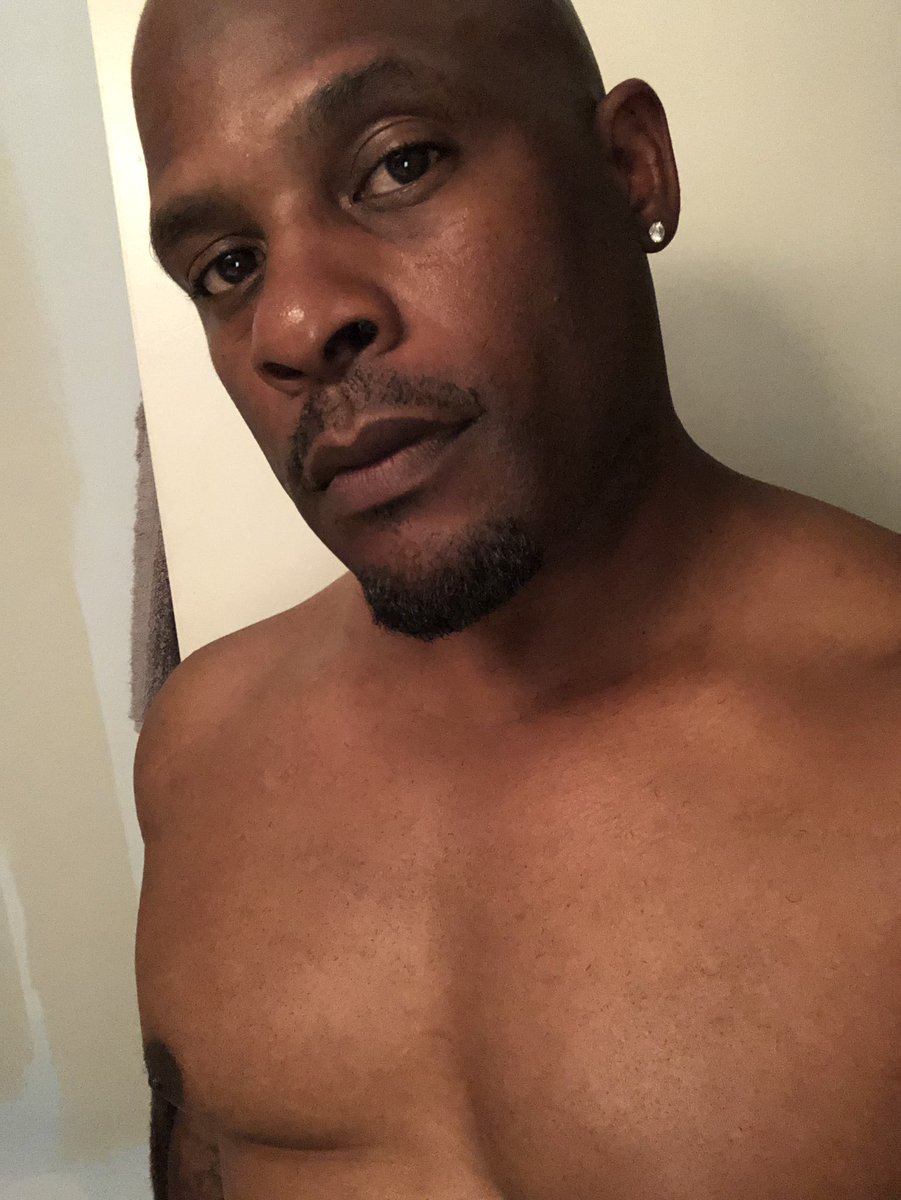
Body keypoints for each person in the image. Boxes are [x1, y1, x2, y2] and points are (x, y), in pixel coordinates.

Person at [131, 0, 901, 1195]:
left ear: (630, 167)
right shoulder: (199, 752)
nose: (294, 322)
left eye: (400, 164)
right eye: (228, 266)